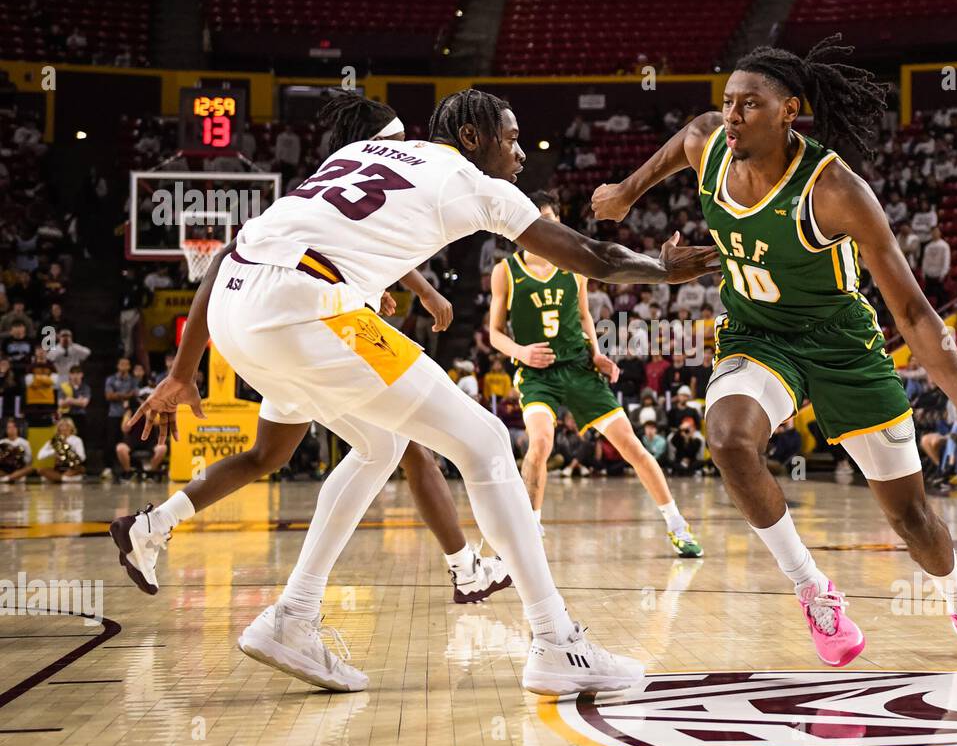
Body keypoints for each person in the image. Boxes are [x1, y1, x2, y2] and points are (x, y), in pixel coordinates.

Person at [126, 88, 717, 697]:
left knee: (379, 446)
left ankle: (294, 617)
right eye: (510, 139)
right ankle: (556, 641)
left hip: (233, 304)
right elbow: (591, 255)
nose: (518, 156)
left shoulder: (363, 152)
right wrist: (663, 270)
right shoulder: (473, 183)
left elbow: (284, 238)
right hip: (306, 308)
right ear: (470, 138)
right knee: (486, 441)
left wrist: (184, 366)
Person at [593, 35, 957, 666]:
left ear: (790, 110)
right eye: (729, 102)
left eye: (751, 105)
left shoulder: (835, 190)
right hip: (757, 337)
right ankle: (813, 590)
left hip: (842, 344)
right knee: (729, 439)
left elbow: (914, 314)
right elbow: (687, 138)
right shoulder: (708, 144)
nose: (733, 116)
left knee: (910, 519)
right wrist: (629, 193)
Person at [490, 190, 702, 557]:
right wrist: (520, 351)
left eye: (551, 223)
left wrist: (598, 354)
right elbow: (494, 333)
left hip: (579, 367)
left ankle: (677, 525)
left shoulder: (574, 266)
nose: (546, 230)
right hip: (537, 373)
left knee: (632, 446)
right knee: (540, 442)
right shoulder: (505, 271)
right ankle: (530, 531)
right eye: (538, 223)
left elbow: (586, 316)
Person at [36, 416, 85, 483]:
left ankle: (57, 478)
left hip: (72, 468)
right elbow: (40, 456)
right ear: (58, 428)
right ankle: (65, 479)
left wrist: (68, 453)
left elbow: (82, 457)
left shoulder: (76, 440)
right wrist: (54, 452)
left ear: (72, 428)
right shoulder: (54, 440)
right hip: (58, 469)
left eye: (67, 426)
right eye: (62, 426)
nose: (64, 428)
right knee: (40, 470)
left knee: (81, 468)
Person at [0, 418, 33, 484]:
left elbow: (29, 459)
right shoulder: (1, 442)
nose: (11, 429)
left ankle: (8, 478)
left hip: (19, 467)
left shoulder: (24, 442)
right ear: (6, 430)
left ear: (17, 429)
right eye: (9, 427)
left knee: (31, 468)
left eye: (13, 427)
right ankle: (15, 477)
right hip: (5, 468)